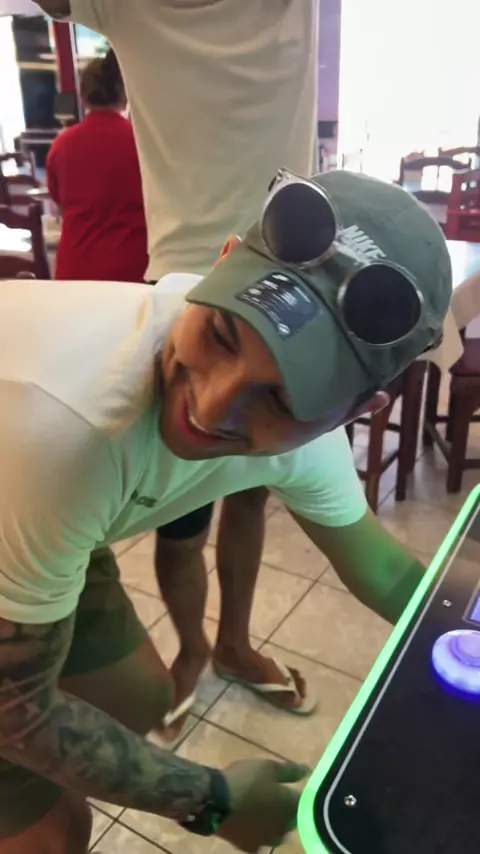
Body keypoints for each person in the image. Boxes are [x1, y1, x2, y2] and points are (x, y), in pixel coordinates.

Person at [0, 169, 452, 852]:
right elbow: (17, 714)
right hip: (35, 478)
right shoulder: (66, 428)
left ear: (355, 414)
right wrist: (210, 803)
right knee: (53, 833)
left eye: (281, 399)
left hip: (38, 517)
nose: (211, 409)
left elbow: (387, 575)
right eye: (220, 335)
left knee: (142, 700)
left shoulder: (310, 442)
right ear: (218, 266)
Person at [37, 0, 321, 732]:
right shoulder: (127, 3)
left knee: (254, 492)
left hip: (288, 284)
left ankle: (232, 645)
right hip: (183, 298)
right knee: (183, 516)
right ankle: (195, 647)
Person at [46, 49, 148, 282]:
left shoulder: (62, 144)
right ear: (125, 95)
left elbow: (58, 208)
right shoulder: (143, 143)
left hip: (74, 271)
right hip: (131, 271)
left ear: (83, 97)